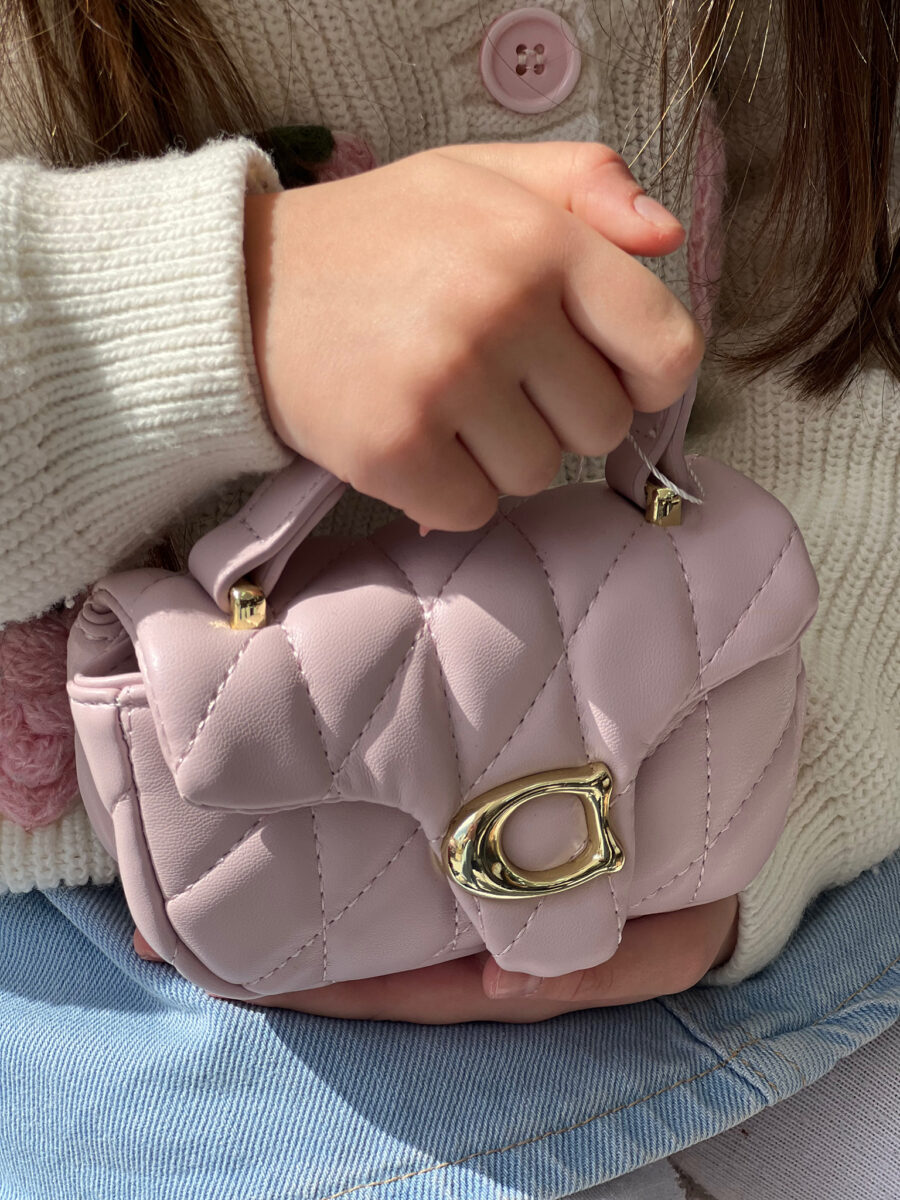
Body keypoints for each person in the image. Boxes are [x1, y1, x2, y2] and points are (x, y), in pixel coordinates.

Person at [0, 1, 897, 1196]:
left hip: (779, 850)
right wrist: (222, 304)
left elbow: (844, 308)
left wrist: (800, 781)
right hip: (94, 988)